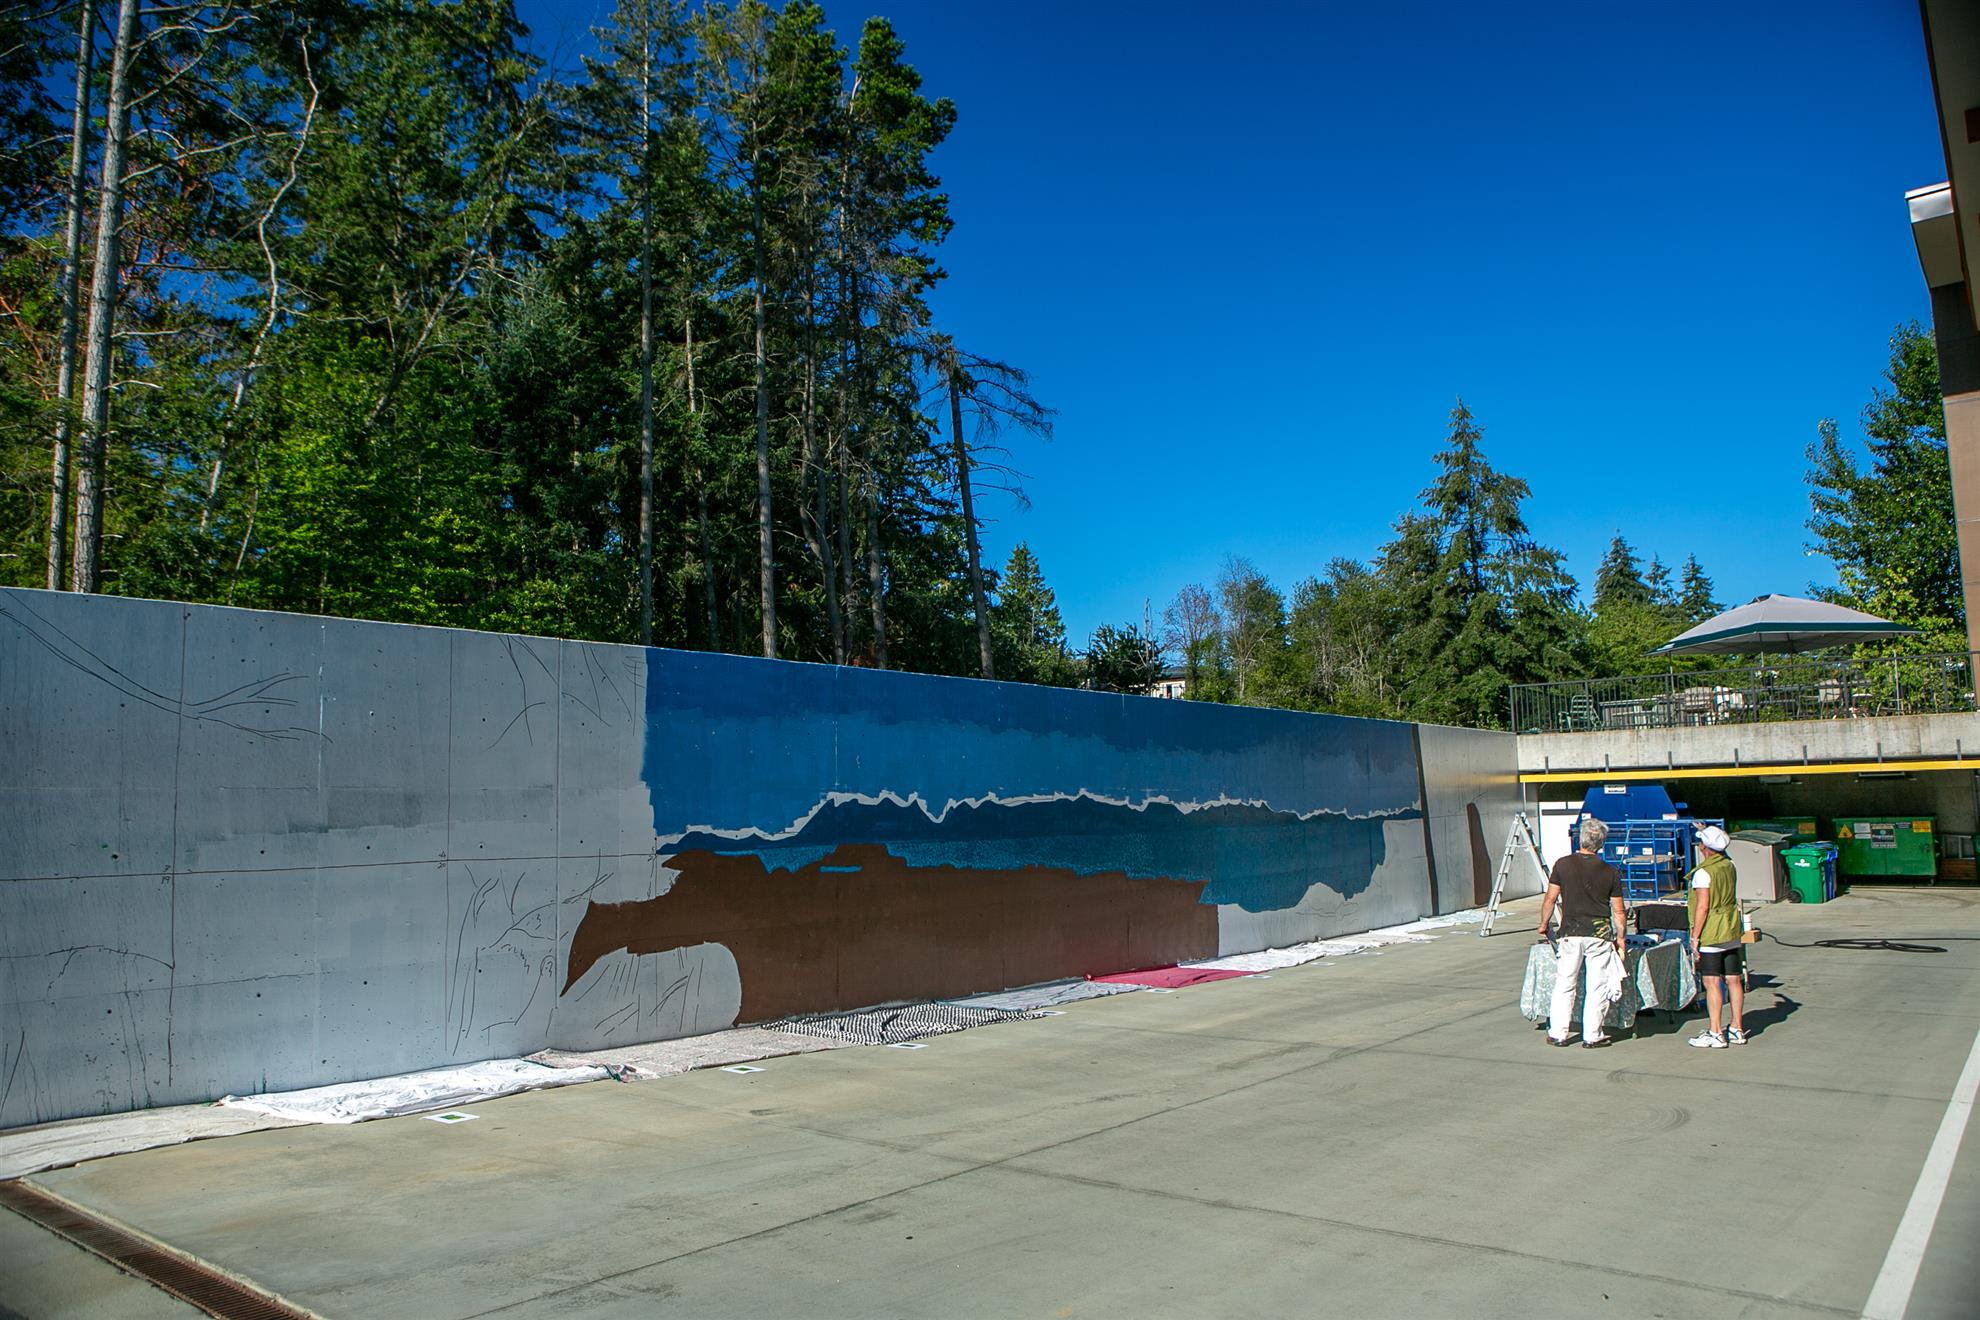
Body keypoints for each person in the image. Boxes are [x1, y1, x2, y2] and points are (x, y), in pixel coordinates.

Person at [1536, 818, 1627, 1048]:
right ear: (1601, 843)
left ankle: (1558, 1033)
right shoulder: (1610, 872)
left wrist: (1544, 923)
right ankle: (1593, 1035)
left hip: (1571, 930)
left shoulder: (1563, 865)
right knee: (1597, 985)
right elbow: (1618, 911)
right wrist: (1621, 939)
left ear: (1580, 838)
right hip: (1599, 933)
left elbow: (1551, 898)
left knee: (1565, 982)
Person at [1686, 824, 1747, 1048]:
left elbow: (1702, 907)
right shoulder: (1729, 865)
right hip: (1731, 929)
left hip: (1712, 932)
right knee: (1733, 979)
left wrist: (1694, 937)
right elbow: (1723, 846)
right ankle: (1737, 1028)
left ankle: (1715, 1031)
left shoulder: (1703, 873)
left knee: (1712, 981)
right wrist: (1710, 830)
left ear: (1704, 848)